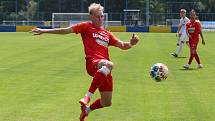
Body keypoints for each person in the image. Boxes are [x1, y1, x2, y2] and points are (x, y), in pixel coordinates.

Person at [30, 3, 139, 121]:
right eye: (98, 16)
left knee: (106, 102)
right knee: (109, 64)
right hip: (93, 63)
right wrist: (44, 30)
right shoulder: (86, 26)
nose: (101, 18)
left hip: (104, 70)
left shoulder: (107, 34)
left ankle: (87, 110)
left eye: (102, 16)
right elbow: (66, 30)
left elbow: (123, 45)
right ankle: (87, 97)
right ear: (91, 16)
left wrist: (132, 43)